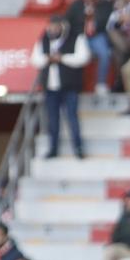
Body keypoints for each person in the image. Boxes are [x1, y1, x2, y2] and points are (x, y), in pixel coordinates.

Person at [31, 15, 89, 161]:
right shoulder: (43, 39)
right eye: (51, 26)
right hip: (50, 87)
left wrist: (62, 58)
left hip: (69, 86)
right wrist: (48, 59)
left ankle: (78, 147)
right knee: (52, 120)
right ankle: (53, 149)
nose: (53, 29)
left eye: (56, 26)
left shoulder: (76, 37)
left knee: (72, 117)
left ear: (62, 26)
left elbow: (83, 58)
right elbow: (35, 60)